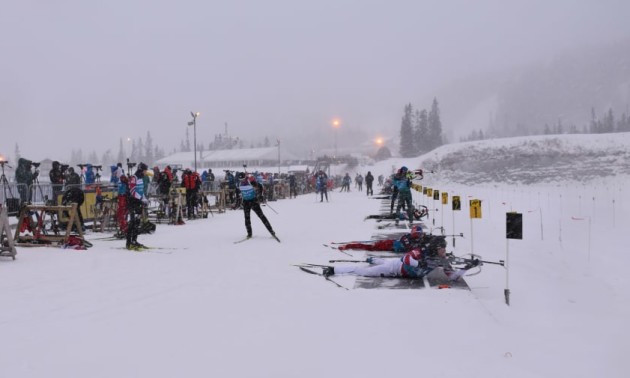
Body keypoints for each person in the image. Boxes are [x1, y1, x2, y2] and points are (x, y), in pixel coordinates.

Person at [323, 238, 479, 279]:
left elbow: (452, 277)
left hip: (399, 267)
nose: (445, 251)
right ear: (436, 249)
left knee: (381, 261)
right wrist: (421, 262)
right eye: (442, 248)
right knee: (363, 272)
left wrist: (467, 267)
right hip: (394, 269)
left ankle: (372, 259)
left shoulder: (443, 260)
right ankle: (335, 269)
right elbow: (407, 260)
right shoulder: (421, 251)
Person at [237, 172, 277, 240]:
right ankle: (249, 234)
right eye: (240, 180)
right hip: (246, 202)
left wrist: (261, 196)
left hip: (253, 201)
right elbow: (239, 192)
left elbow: (260, 186)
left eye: (243, 179)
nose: (242, 181)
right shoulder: (239, 183)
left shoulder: (250, 181)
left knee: (261, 216)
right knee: (247, 219)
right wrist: (239, 200)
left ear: (245, 177)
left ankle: (271, 231)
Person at [337, 226, 424, 253]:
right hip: (389, 245)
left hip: (391, 244)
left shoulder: (411, 238)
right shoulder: (409, 237)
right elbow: (406, 245)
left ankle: (353, 244)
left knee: (371, 246)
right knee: (370, 247)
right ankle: (349, 245)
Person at [126, 163, 149, 249]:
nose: (146, 172)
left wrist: (144, 198)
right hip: (133, 202)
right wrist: (141, 198)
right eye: (145, 170)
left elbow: (140, 191)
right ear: (141, 170)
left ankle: (134, 240)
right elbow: (132, 191)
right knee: (132, 222)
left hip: (138, 202)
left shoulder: (141, 178)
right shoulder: (134, 178)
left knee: (137, 222)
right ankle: (128, 242)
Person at [114, 165, 128, 238]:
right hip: (121, 197)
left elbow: (125, 186)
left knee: (121, 214)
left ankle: (124, 228)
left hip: (123, 197)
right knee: (120, 214)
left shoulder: (122, 178)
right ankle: (123, 228)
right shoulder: (120, 179)